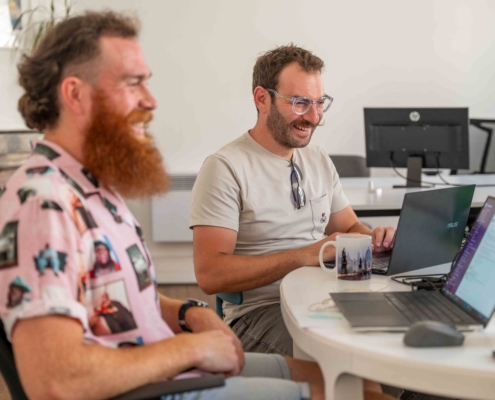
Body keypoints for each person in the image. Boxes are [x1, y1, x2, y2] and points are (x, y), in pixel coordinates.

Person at [0, 11, 395, 400]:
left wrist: (190, 313)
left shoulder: (92, 191)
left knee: (358, 385)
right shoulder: (44, 205)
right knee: (355, 393)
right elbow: (56, 382)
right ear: (75, 94)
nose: (151, 100)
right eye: (133, 83)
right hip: (157, 383)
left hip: (167, 366)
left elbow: (117, 297)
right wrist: (189, 349)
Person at [190, 44, 397, 357]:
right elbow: (210, 274)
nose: (313, 117)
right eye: (300, 103)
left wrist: (376, 240)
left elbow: (350, 226)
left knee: (399, 348)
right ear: (262, 99)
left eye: (319, 103)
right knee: (352, 362)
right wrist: (305, 255)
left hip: (327, 295)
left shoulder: (317, 158)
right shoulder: (225, 167)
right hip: (261, 313)